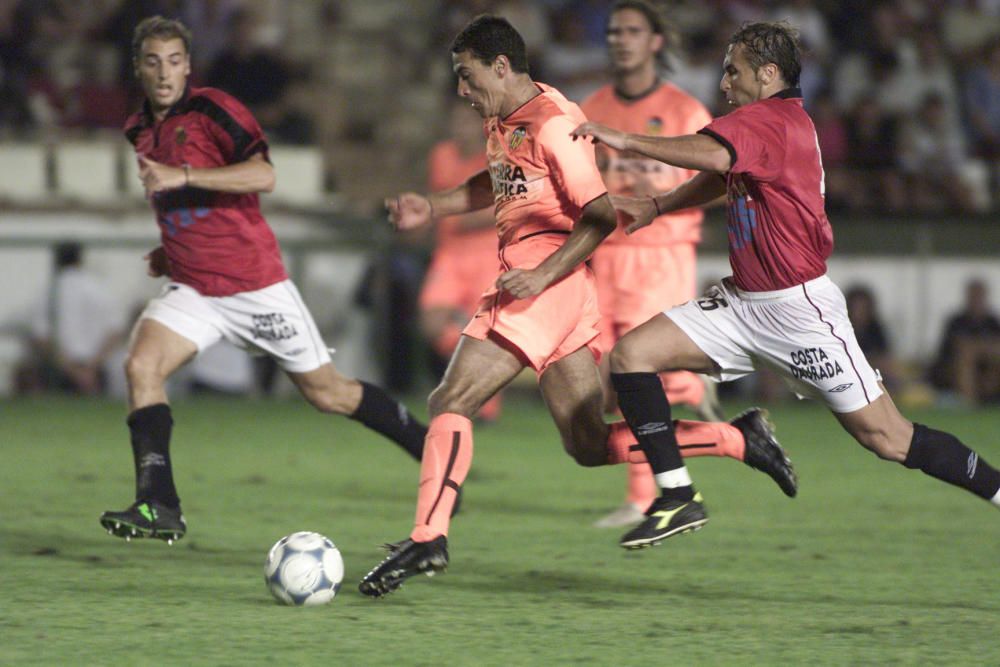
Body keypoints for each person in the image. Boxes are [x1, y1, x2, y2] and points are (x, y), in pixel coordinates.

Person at [358, 15, 797, 598]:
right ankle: (739, 440)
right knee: (589, 445)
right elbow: (499, 180)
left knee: (450, 398)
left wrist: (540, 274)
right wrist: (432, 208)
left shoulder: (553, 123)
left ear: (501, 66)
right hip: (558, 289)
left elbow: (595, 215)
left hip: (545, 280)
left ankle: (428, 538)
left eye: (466, 77)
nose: (461, 91)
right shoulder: (507, 118)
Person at [571, 21, 1000, 549]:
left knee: (889, 438)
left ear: (768, 74)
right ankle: (677, 496)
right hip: (741, 303)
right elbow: (724, 173)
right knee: (632, 355)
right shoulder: (763, 126)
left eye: (734, 70)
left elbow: (712, 155)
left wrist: (625, 137)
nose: (725, 82)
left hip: (799, 313)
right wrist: (658, 206)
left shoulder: (771, 121)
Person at [99, 16, 428, 545]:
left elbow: (263, 175)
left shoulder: (214, 110)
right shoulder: (138, 128)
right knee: (142, 365)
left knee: (328, 394)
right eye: (153, 62)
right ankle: (159, 503)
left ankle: (430, 448)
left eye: (175, 61)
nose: (165, 73)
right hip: (194, 288)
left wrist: (184, 176)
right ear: (138, 67)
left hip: (254, 285)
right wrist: (171, 247)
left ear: (189, 65)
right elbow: (177, 201)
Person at [580, 0, 727, 529]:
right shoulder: (593, 107)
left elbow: (723, 181)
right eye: (614, 31)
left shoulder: (686, 111)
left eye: (632, 31)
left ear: (655, 42)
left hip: (661, 254)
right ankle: (693, 389)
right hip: (605, 254)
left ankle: (646, 493)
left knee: (637, 373)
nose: (620, 39)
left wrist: (661, 191)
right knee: (602, 387)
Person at [418, 97, 504, 421]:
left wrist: (460, 216)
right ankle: (480, 389)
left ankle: (481, 402)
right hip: (449, 255)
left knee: (481, 332)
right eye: (455, 122)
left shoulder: (499, 155)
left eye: (467, 122)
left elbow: (511, 207)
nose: (460, 129)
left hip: (488, 255)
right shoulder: (441, 155)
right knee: (433, 324)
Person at [18, 242, 126, 395]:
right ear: (80, 259)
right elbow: (115, 332)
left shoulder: (48, 292)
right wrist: (91, 369)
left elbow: (40, 337)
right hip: (95, 370)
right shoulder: (99, 289)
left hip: (60, 372)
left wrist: (72, 370)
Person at [929, 279, 1000, 405]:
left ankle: (989, 398)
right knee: (966, 358)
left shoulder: (992, 321)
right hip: (953, 367)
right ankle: (969, 401)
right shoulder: (957, 321)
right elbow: (958, 347)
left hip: (986, 367)